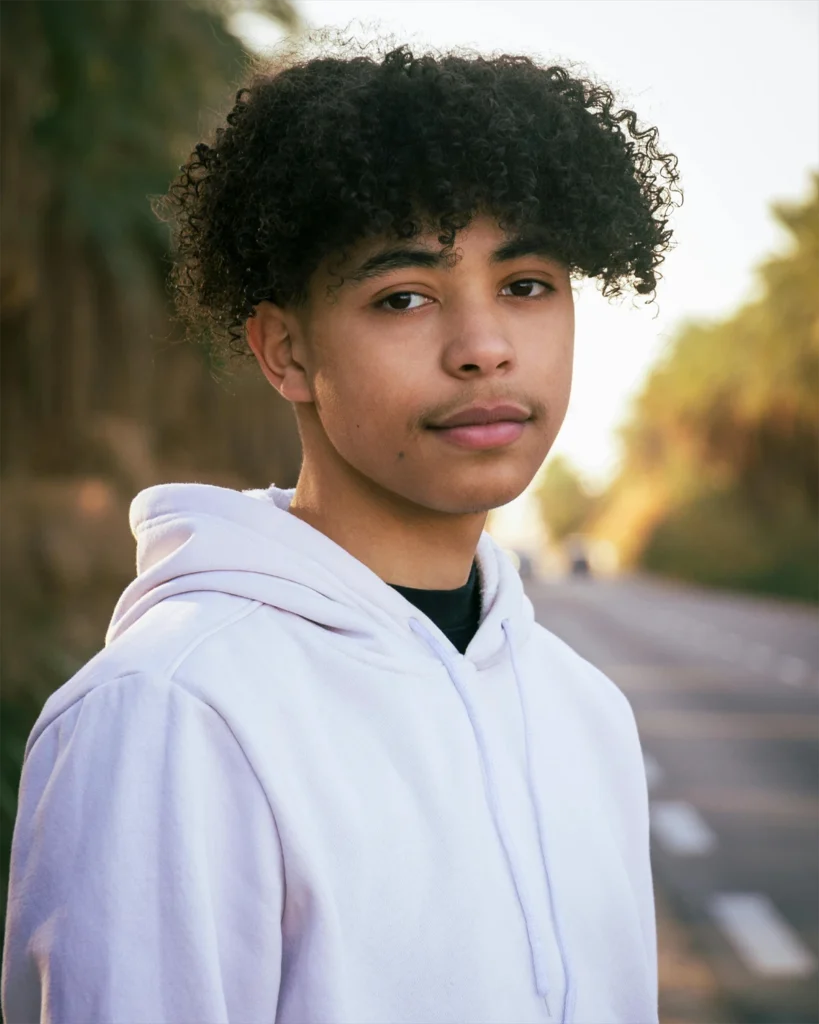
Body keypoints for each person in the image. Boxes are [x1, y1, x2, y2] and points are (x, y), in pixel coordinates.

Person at [2, 31, 680, 1024]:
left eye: (527, 285)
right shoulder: (174, 711)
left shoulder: (586, 711)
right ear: (285, 353)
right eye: (403, 297)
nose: (485, 348)